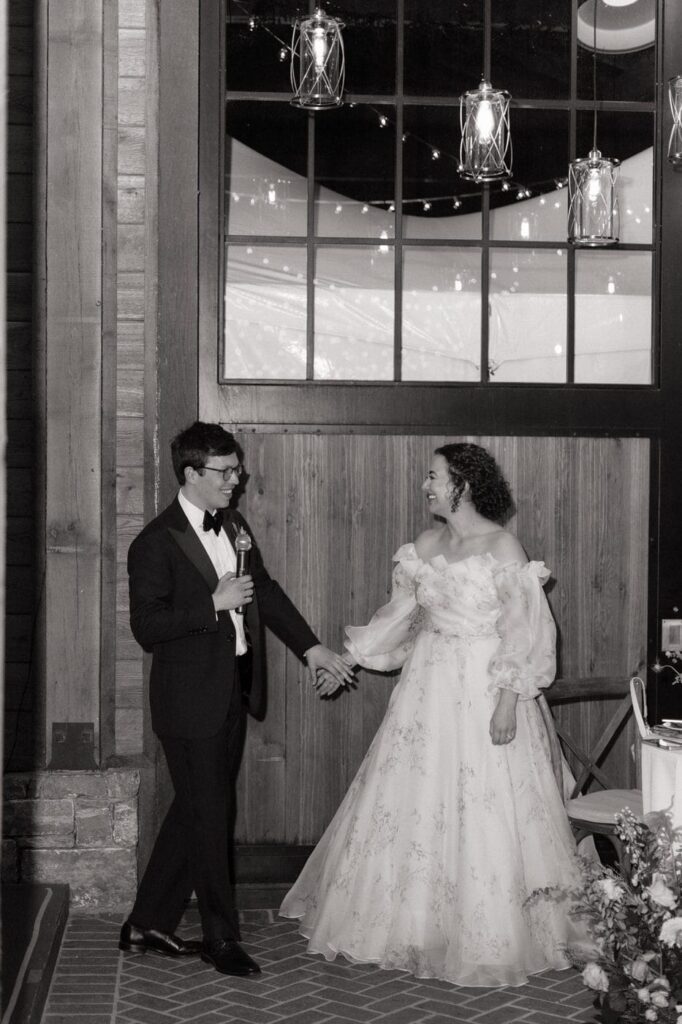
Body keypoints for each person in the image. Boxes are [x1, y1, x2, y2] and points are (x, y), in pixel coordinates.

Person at [280, 442, 586, 988]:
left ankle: (494, 930)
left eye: (434, 476)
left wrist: (508, 701)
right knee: (418, 801)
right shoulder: (422, 546)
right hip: (428, 687)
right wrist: (346, 660)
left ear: (463, 483)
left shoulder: (504, 547)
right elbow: (399, 619)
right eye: (428, 476)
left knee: (488, 803)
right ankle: (419, 923)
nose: (426, 485)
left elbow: (524, 633)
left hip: (485, 686)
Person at [120, 421, 354, 977]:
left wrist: (313, 649)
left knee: (196, 810)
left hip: (232, 694)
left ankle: (146, 923)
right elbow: (147, 627)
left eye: (237, 469)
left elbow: (265, 592)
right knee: (211, 816)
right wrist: (214, 602)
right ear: (191, 473)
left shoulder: (234, 524)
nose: (237, 480)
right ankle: (222, 938)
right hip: (187, 703)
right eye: (225, 472)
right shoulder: (154, 542)